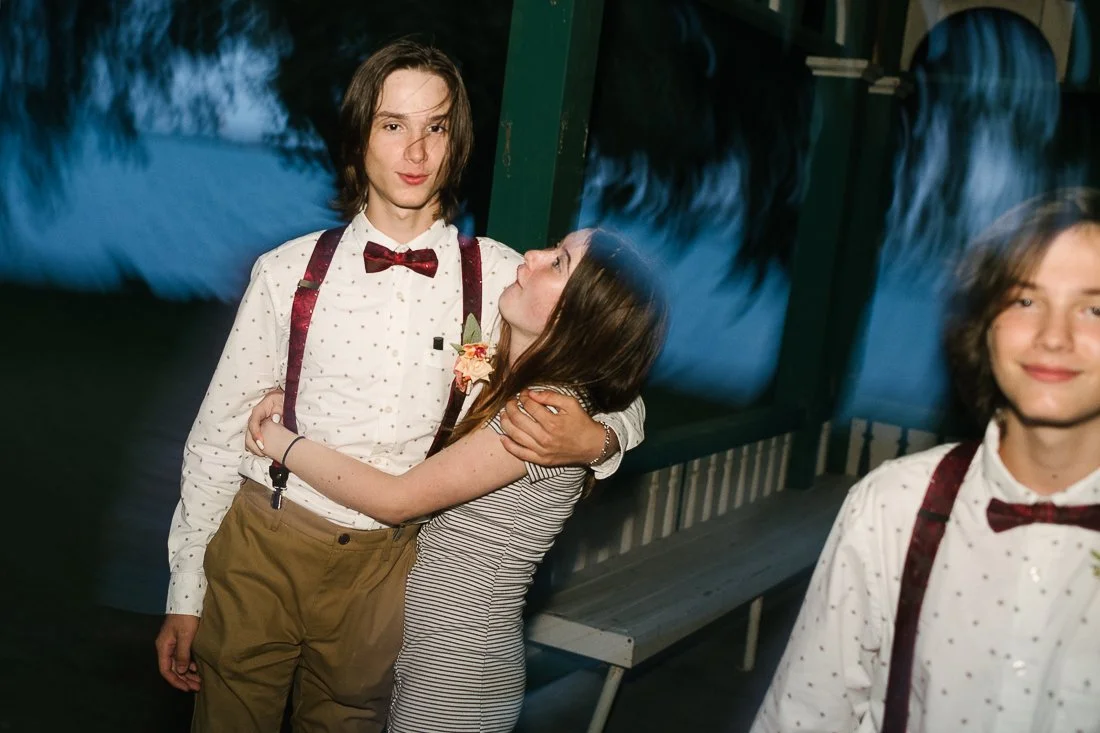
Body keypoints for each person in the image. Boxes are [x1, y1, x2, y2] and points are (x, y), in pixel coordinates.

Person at [155, 39, 645, 733]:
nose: (415, 151)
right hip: (264, 538)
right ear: (360, 140)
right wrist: (186, 590)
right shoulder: (288, 271)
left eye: (435, 127)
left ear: (456, 142)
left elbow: (610, 362)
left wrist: (600, 438)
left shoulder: (501, 275)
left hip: (387, 570)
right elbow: (213, 436)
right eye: (393, 125)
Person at [247, 227, 666, 732]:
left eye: (558, 263)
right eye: (552, 247)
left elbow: (397, 500)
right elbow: (628, 401)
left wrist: (279, 442)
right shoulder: (532, 387)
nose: (531, 254)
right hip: (435, 661)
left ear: (586, 321)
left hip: (460, 678)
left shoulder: (544, 412)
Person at [751, 187, 1100, 733]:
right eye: (1025, 300)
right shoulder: (893, 508)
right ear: (983, 325)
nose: (1054, 338)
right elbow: (804, 717)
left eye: (1094, 308)